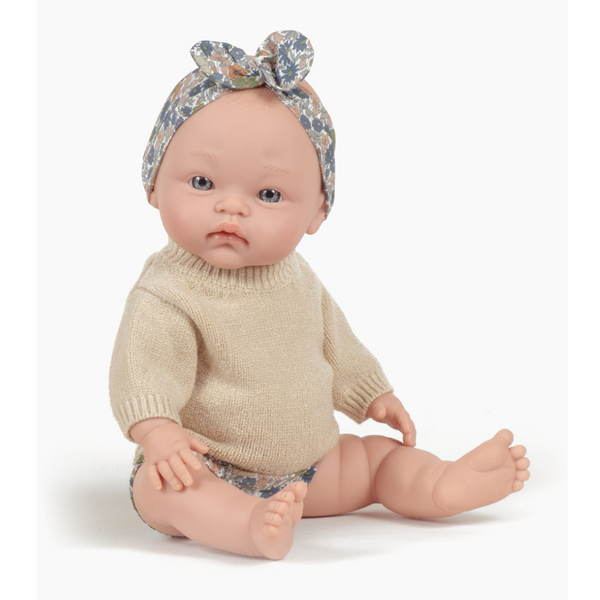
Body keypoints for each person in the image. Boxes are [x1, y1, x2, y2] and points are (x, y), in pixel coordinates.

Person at [110, 30, 530, 560]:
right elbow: (142, 371)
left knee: (376, 460)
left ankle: (439, 485)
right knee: (165, 491)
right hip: (208, 464)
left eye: (268, 193)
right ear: (153, 182)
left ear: (317, 212)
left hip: (311, 466)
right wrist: (158, 433)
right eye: (201, 182)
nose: (231, 208)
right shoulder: (167, 293)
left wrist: (370, 393)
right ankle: (245, 523)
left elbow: (335, 344)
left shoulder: (299, 279)